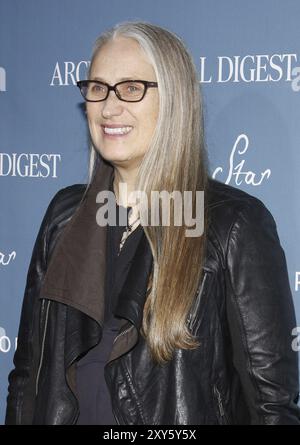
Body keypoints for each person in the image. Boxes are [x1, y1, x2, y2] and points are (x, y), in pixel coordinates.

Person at [5, 21, 300, 425]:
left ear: (174, 100)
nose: (109, 107)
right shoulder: (65, 216)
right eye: (97, 88)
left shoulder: (231, 225)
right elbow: (27, 378)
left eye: (131, 88)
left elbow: (272, 408)